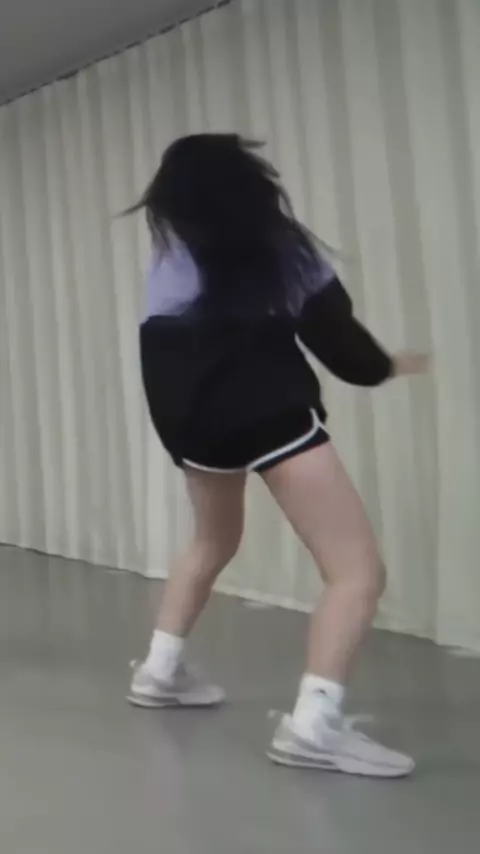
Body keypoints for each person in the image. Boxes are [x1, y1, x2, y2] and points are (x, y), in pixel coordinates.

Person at [127, 133, 427, 777]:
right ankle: (314, 727)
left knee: (212, 540)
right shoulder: (278, 245)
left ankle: (159, 670)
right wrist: (388, 366)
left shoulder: (171, 255)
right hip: (269, 414)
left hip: (189, 424)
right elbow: (340, 344)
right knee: (356, 572)